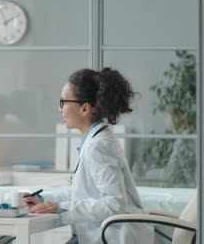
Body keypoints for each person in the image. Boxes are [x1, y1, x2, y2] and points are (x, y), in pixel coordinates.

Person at [23, 68, 154, 244]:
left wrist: (61, 208)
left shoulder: (98, 146)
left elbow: (114, 203)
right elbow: (83, 195)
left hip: (114, 238)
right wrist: (43, 200)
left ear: (85, 108)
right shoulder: (95, 141)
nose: (59, 109)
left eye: (63, 102)